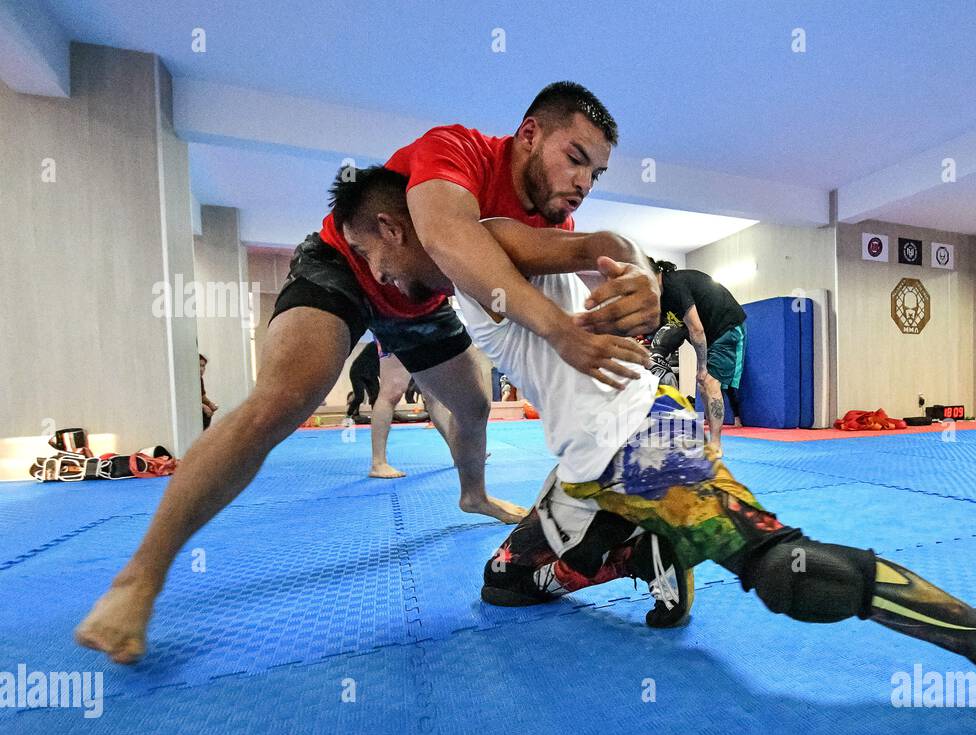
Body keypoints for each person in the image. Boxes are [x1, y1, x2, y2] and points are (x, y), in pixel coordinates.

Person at [328, 168, 976, 735]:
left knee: (792, 573)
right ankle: (650, 546)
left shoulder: (492, 240)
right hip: (584, 474)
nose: (381, 278)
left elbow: (578, 243)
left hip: (650, 445)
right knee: (504, 585)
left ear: (393, 226)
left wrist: (634, 268)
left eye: (378, 258)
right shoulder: (448, 293)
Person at [74, 81, 660, 665]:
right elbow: (448, 237)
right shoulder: (455, 149)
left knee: (475, 404)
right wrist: (560, 328)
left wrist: (637, 284)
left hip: (425, 298)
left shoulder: (549, 218)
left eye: (596, 173)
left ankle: (472, 493)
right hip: (347, 272)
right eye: (575, 159)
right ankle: (138, 581)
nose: (583, 183)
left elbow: (595, 258)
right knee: (282, 400)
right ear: (529, 135)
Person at [650, 260, 748, 452]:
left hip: (726, 327)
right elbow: (674, 329)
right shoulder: (661, 298)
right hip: (710, 333)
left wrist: (701, 366)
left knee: (709, 381)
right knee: (702, 385)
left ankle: (716, 444)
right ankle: (709, 440)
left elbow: (696, 330)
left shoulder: (674, 287)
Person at [198, 354, 217, 430]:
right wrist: (203, 406)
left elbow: (202, 397)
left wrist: (210, 403)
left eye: (203, 366)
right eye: (199, 366)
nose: (202, 369)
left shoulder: (200, 379)